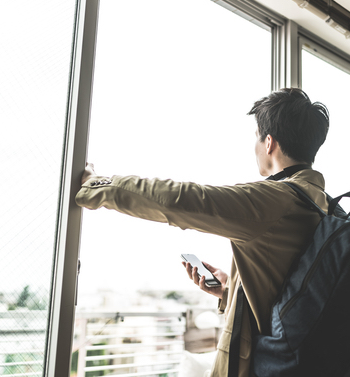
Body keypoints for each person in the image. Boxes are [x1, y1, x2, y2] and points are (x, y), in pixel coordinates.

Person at [76, 88, 330, 377]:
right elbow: (290, 291)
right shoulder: (323, 205)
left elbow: (178, 199)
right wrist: (227, 291)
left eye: (257, 136)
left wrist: (95, 185)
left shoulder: (276, 200)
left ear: (269, 142)